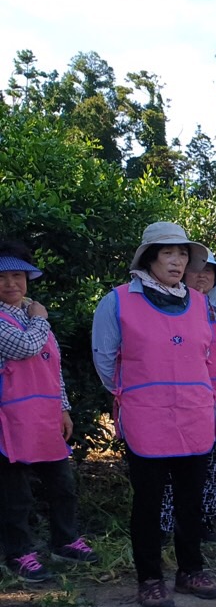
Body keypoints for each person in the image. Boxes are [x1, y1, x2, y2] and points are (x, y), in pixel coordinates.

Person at [91, 222, 216, 607]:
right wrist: (134, 392)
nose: (178, 261)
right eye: (168, 253)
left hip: (195, 416)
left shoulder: (200, 303)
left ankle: (190, 570)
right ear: (149, 258)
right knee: (148, 503)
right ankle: (149, 578)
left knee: (190, 500)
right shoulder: (117, 301)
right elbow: (105, 360)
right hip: (147, 417)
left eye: (183, 253)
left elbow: (204, 355)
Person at [0, 242, 97, 582]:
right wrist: (41, 320)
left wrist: (65, 409)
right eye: (2, 277)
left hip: (44, 415)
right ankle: (19, 553)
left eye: (17, 275)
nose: (11, 283)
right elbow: (25, 347)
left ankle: (65, 541)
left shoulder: (29, 312)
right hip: (8, 420)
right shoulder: (21, 317)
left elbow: (52, 366)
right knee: (16, 494)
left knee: (61, 484)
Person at [160, 254, 216, 542]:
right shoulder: (170, 312)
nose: (203, 277)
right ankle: (167, 522)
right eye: (197, 270)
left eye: (210, 272)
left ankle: (204, 520)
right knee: (179, 465)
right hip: (185, 402)